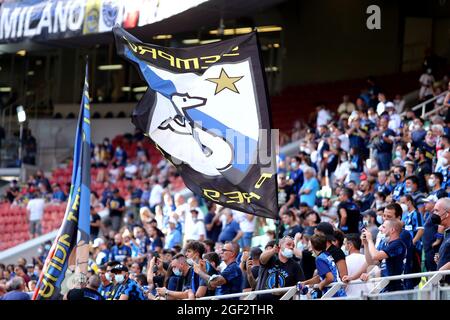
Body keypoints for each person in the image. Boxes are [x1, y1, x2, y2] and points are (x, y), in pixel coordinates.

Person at [361, 219, 407, 292]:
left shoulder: (397, 244)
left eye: (383, 227)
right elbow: (372, 262)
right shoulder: (387, 244)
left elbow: (375, 256)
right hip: (385, 288)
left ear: (392, 230)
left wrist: (370, 240)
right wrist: (366, 244)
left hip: (394, 290)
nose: (380, 229)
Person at [257, 236, 305, 300]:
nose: (291, 247)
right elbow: (262, 259)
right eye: (288, 244)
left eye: (293, 245)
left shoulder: (295, 266)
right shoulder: (270, 259)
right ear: (280, 246)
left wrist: (282, 291)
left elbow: (301, 286)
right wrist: (273, 250)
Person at [433, 198, 450, 271]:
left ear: (447, 214)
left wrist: (442, 270)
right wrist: (441, 260)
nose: (434, 214)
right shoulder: (446, 233)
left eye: (436, 210)